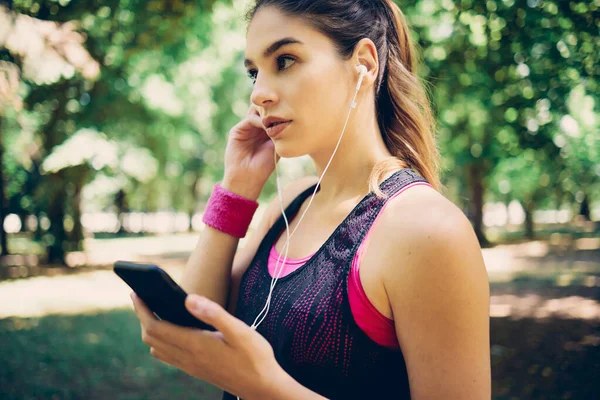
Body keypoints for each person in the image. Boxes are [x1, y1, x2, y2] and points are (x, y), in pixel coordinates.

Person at [130, 1, 491, 399]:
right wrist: (236, 188)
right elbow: (197, 321)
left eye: (284, 60)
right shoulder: (288, 208)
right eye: (254, 73)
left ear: (364, 64)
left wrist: (263, 388)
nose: (260, 95)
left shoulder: (426, 230)